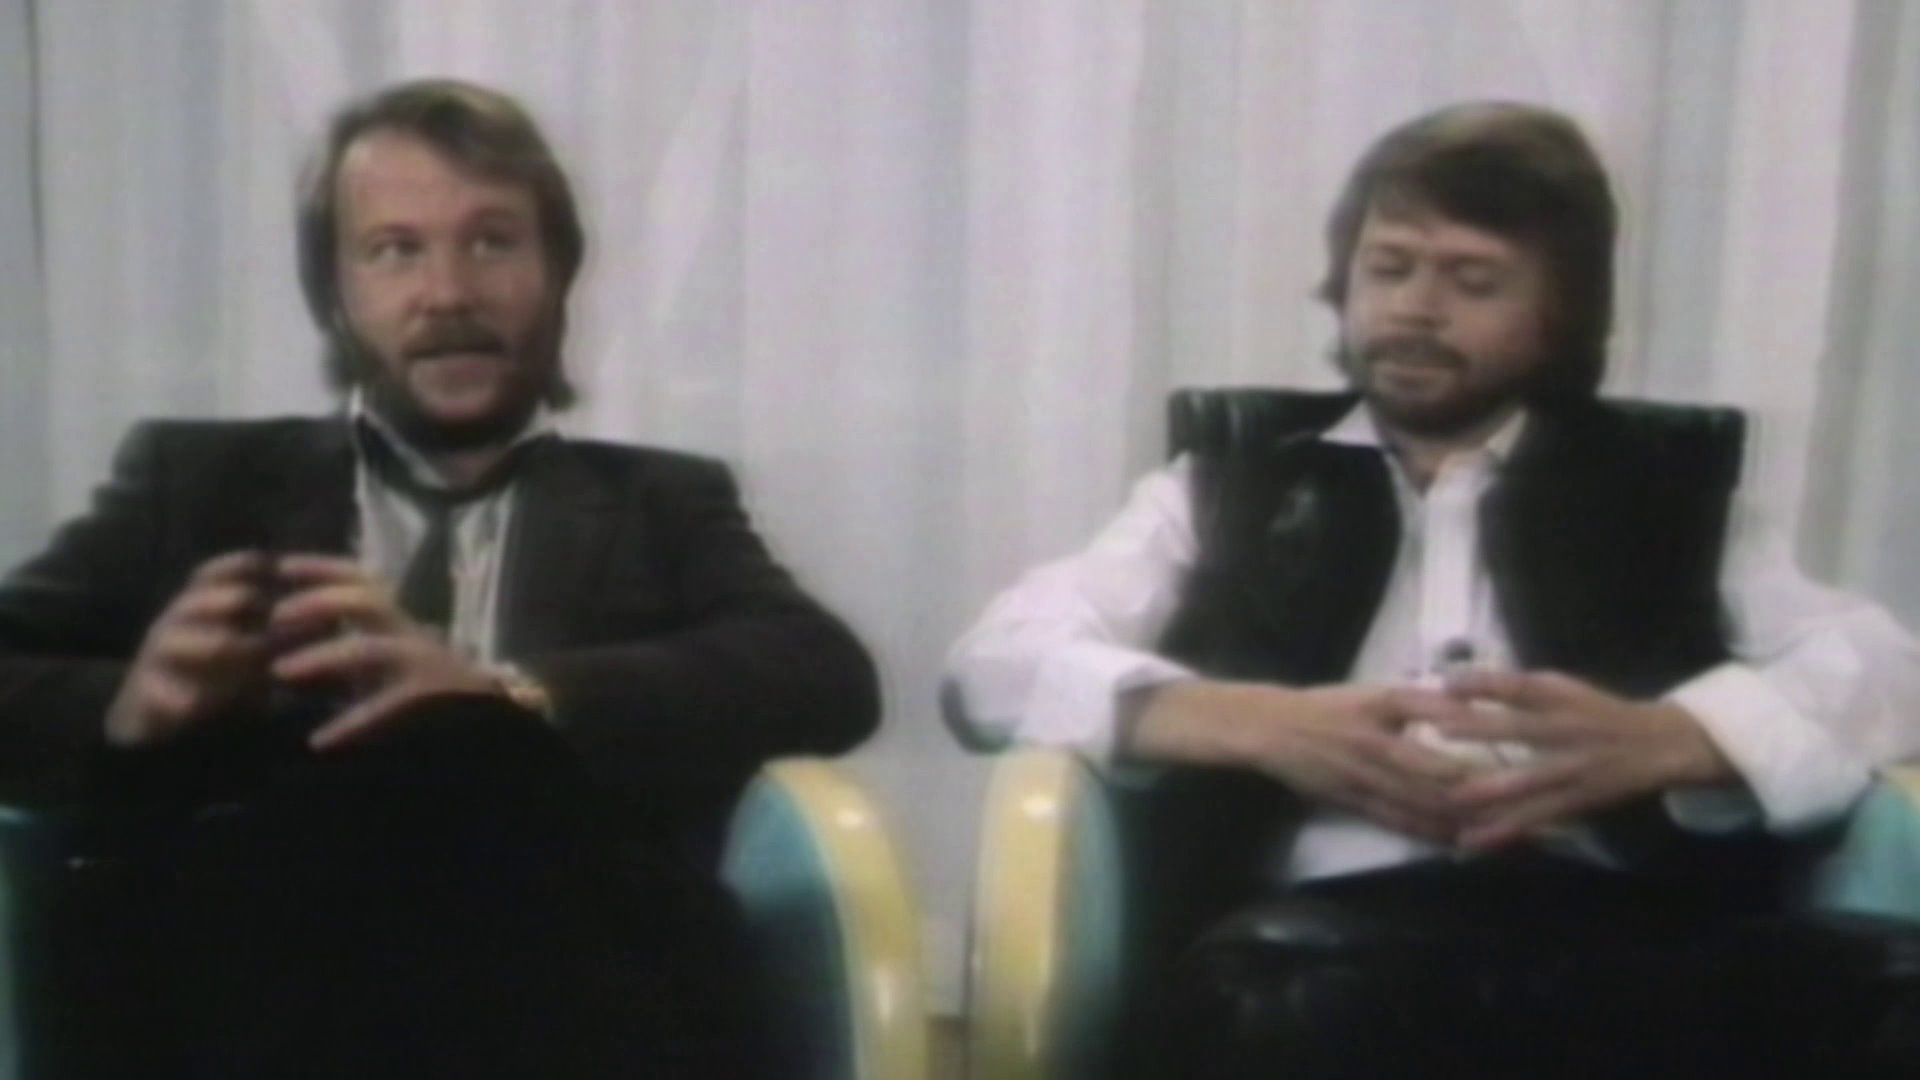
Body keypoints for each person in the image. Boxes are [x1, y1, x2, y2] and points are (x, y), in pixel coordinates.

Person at [944, 101, 1920, 1076]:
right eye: (1389, 267)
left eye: (1473, 279)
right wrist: (1253, 722)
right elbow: (994, 666)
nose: (1415, 307)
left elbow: (1888, 671)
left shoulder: (1665, 495)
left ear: (1560, 311)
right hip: (1313, 948)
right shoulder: (1225, 486)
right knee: (1291, 1011)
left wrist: (1681, 738)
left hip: (1622, 941)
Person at [0, 78, 879, 1079]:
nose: (448, 293)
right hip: (252, 981)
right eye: (395, 250)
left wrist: (511, 697)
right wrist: (127, 704)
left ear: (559, 273)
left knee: (472, 758)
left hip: (569, 990)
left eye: (492, 242)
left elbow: (825, 674)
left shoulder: (662, 502)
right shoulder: (198, 483)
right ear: (337, 294)